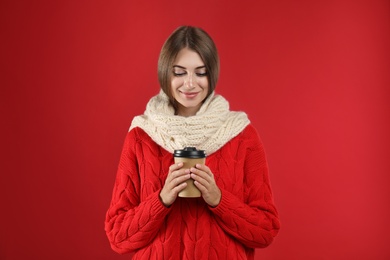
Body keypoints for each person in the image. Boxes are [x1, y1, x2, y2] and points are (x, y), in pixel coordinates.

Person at [105, 25, 280, 260]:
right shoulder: (141, 135)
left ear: (212, 74)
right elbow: (118, 237)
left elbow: (266, 231)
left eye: (200, 72)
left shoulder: (242, 135)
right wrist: (161, 199)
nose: (190, 83)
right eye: (179, 72)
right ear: (166, 73)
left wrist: (219, 200)